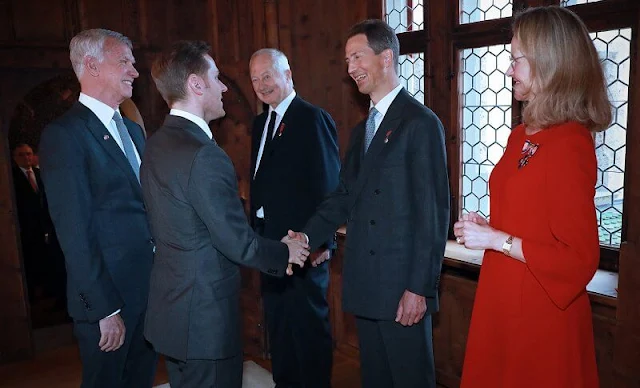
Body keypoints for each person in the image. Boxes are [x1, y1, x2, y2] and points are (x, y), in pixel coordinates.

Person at [454, 6, 611, 388]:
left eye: (517, 60)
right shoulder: (521, 134)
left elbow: (579, 258)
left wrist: (497, 240)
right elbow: (530, 221)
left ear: (550, 62)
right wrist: (489, 227)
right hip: (502, 298)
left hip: (541, 313)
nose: (509, 70)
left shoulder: (571, 143)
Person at [141, 40, 310, 388]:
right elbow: (238, 243)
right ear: (195, 84)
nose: (222, 87)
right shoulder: (204, 155)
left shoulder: (156, 143)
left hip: (172, 313)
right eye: (216, 78)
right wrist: (285, 252)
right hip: (204, 320)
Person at [291, 19, 450, 388]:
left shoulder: (420, 123)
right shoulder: (364, 129)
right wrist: (304, 237)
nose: (350, 69)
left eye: (357, 57)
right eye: (347, 61)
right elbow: (344, 195)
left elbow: (433, 213)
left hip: (402, 289)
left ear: (386, 58)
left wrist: (419, 288)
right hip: (368, 285)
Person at [38, 29, 157, 387]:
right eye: (124, 61)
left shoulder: (134, 132)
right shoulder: (65, 135)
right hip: (109, 299)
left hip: (148, 291)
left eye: (133, 62)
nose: (135, 71)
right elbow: (74, 231)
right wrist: (104, 308)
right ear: (91, 65)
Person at [249, 48, 340, 388]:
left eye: (267, 76)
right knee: (280, 327)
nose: (262, 85)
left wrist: (321, 242)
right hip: (268, 244)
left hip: (304, 246)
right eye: (255, 79)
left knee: (308, 329)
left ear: (287, 75)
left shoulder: (312, 118)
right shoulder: (261, 123)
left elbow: (329, 187)